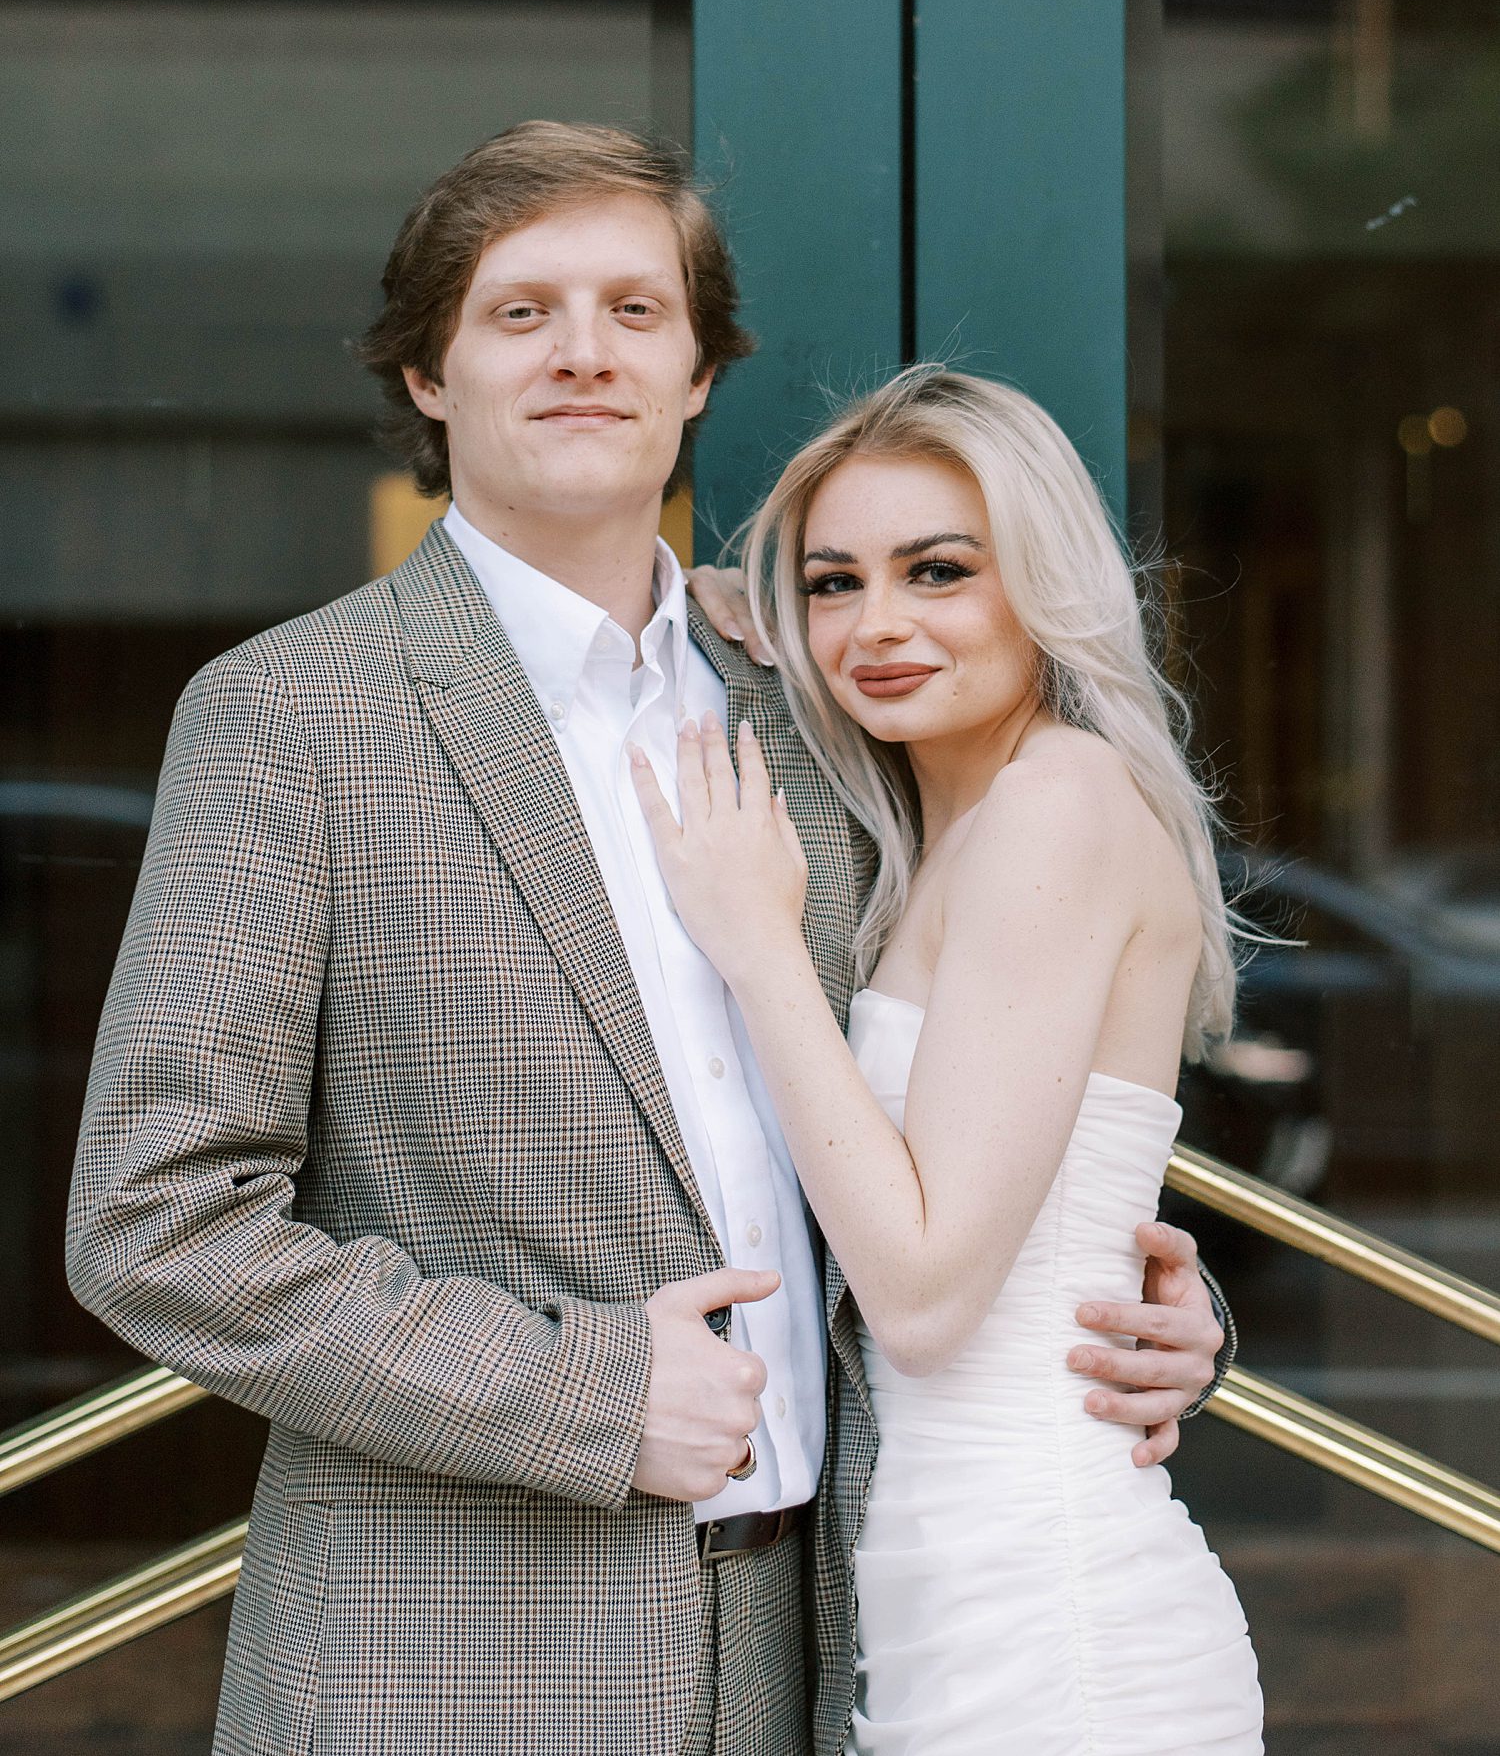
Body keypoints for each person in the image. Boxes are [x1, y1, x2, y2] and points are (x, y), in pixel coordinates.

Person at [66, 125, 1232, 1756]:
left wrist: (1152, 1318)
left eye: (634, 310)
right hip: (440, 1665)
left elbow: (950, 1119)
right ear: (427, 373)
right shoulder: (291, 720)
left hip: (808, 1656)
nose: (583, 354)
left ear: (698, 375)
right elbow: (156, 1224)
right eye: (521, 312)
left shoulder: (818, 714)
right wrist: (588, 1395)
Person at [641, 364, 1264, 1754]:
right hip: (939, 1608)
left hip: (1054, 1629)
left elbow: (923, 1298)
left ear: (1042, 581)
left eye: (938, 572)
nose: (878, 626)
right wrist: (714, 611)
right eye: (833, 583)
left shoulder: (1058, 807)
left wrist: (760, 949)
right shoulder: (946, 830)